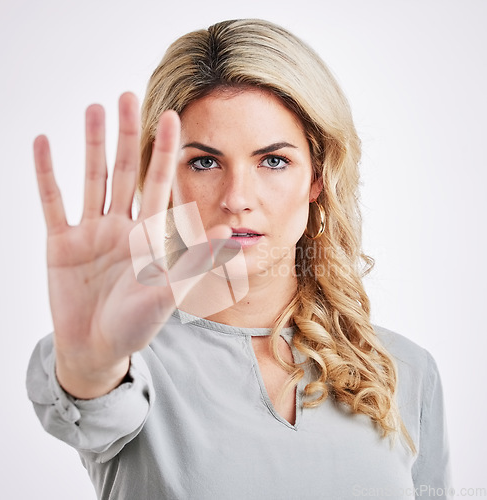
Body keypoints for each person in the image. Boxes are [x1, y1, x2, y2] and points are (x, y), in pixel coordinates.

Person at [26, 19, 452, 499]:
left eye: (273, 160)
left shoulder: (405, 370)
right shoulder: (130, 357)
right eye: (205, 162)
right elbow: (90, 398)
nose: (237, 198)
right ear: (166, 178)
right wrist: (89, 362)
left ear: (317, 176)